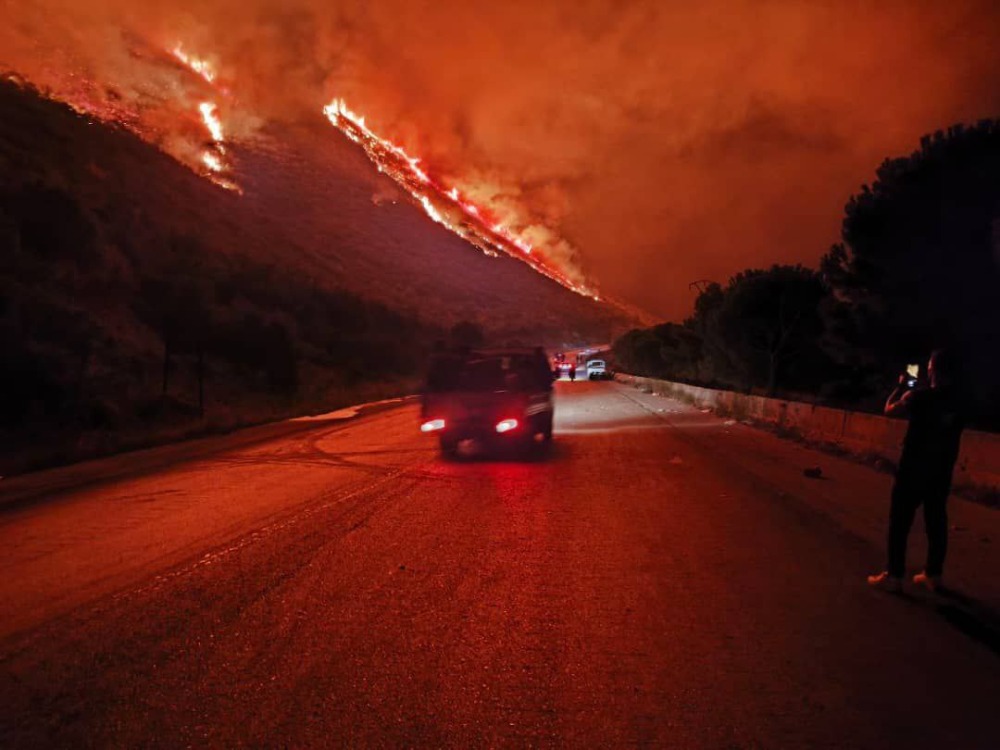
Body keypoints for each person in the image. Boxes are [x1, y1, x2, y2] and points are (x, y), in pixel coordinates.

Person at [868, 350, 965, 593]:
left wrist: (900, 387)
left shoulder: (919, 397)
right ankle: (933, 574)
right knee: (936, 523)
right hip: (941, 472)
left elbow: (889, 410)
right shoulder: (961, 402)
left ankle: (894, 575)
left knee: (900, 523)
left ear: (932, 369)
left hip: (912, 470)